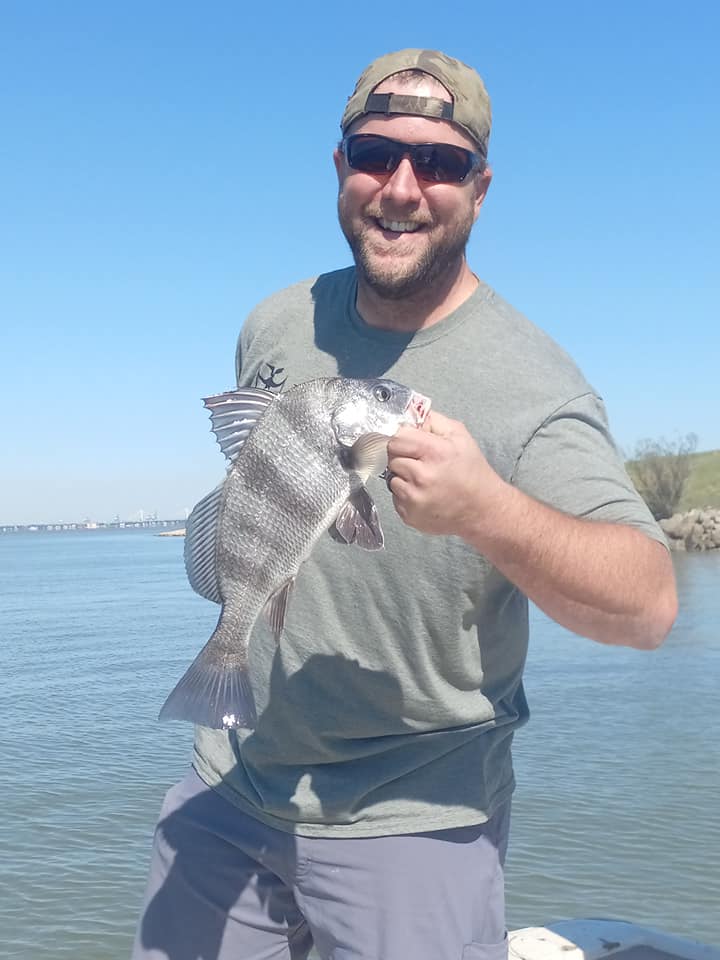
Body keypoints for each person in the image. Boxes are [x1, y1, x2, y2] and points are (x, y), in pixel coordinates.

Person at [132, 49, 678, 960]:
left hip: (413, 816)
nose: (402, 186)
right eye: (376, 152)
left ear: (481, 187)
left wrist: (488, 510)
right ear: (341, 168)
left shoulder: (535, 387)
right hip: (228, 782)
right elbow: (256, 490)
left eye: (440, 163)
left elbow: (651, 604)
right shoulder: (275, 320)